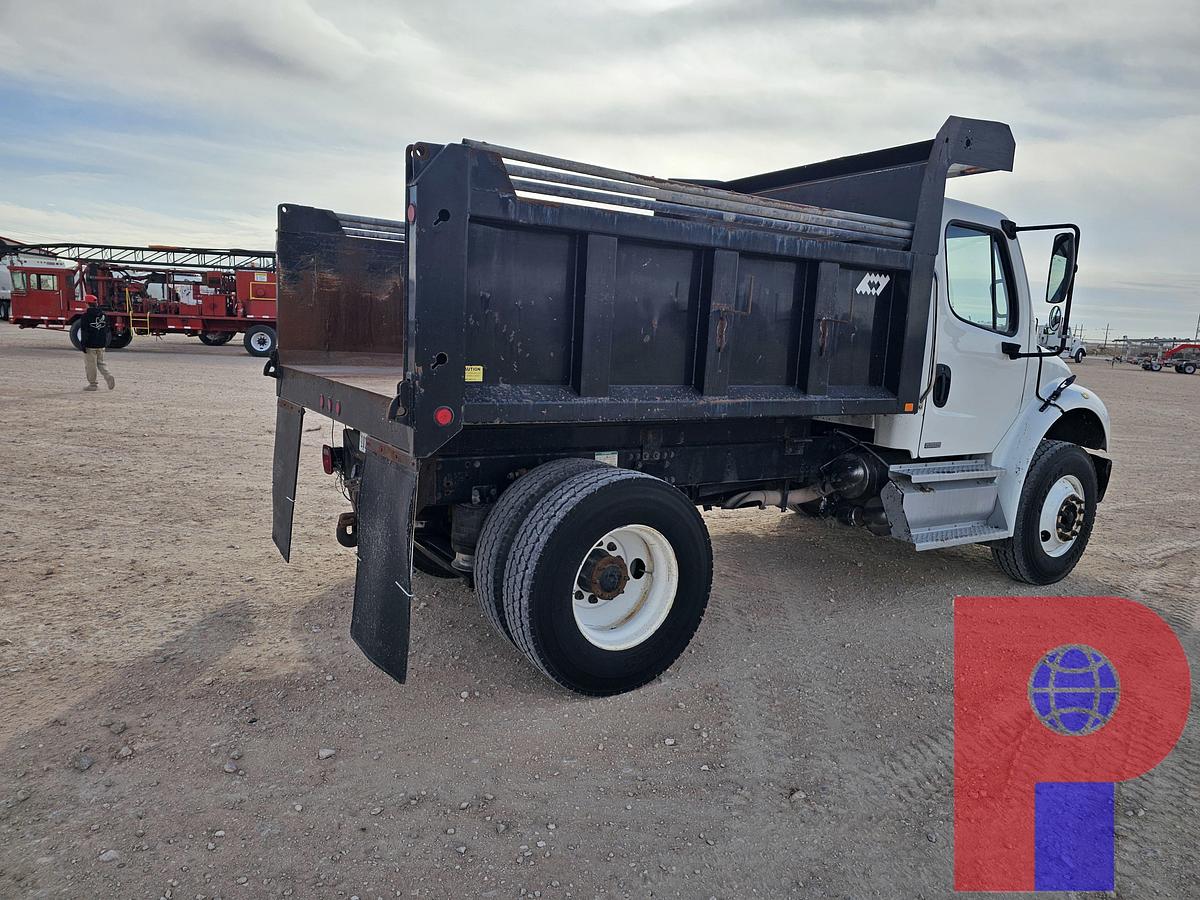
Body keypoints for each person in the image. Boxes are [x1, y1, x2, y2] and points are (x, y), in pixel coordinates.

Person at [78, 296, 116, 391]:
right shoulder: (103, 315)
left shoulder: (85, 316)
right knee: (101, 363)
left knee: (91, 365)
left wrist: (83, 345)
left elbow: (84, 332)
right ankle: (108, 376)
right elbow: (107, 330)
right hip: (101, 344)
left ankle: (93, 384)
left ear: (87, 303)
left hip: (90, 345)